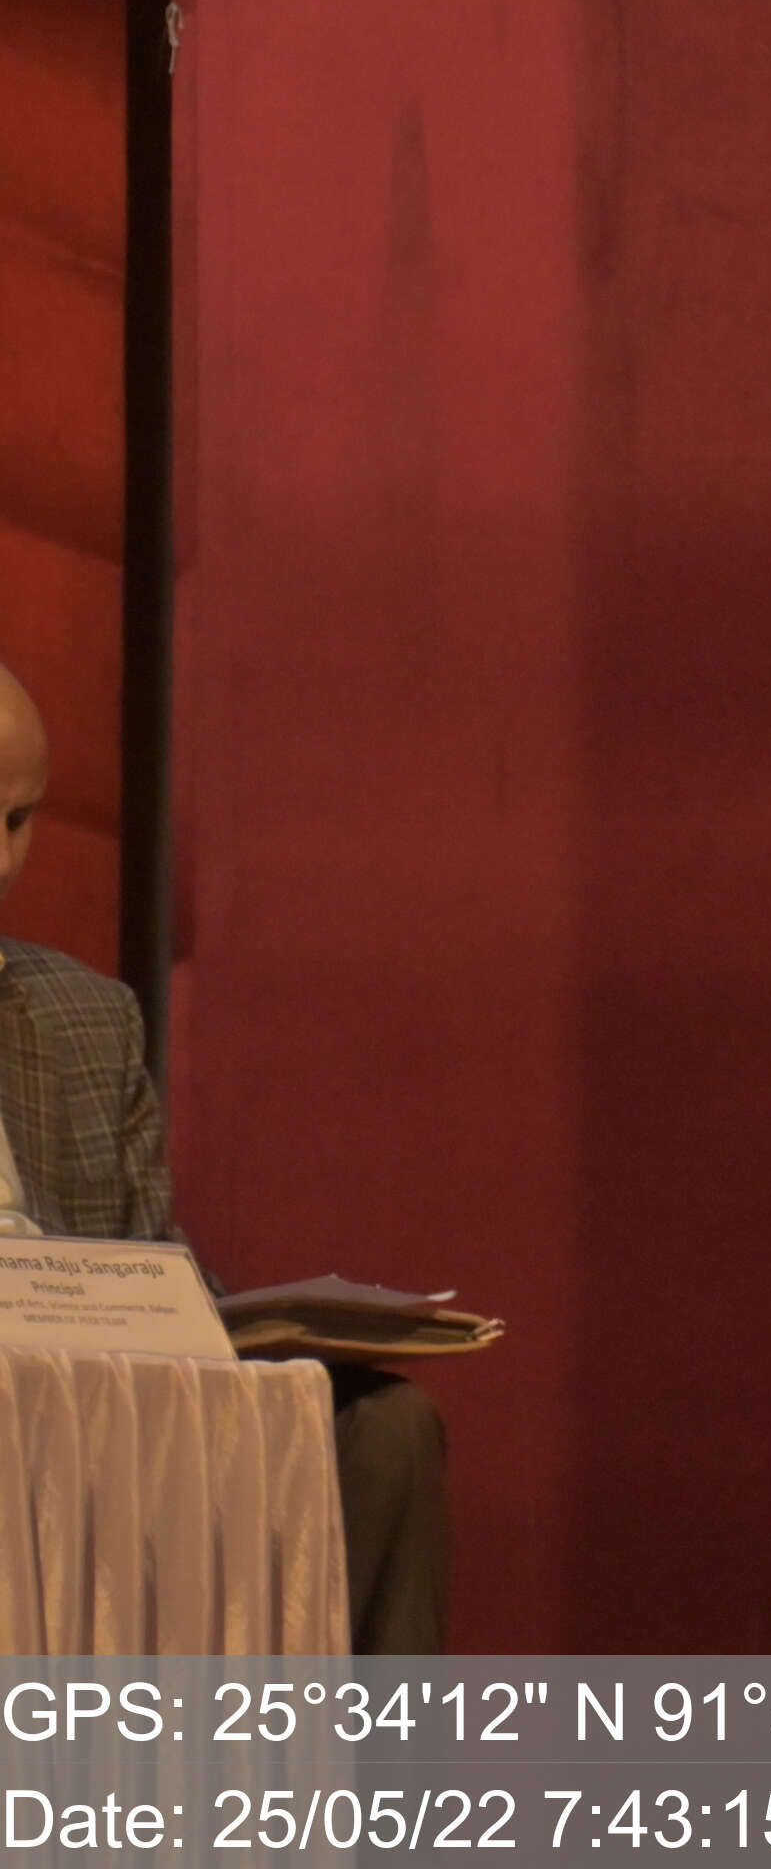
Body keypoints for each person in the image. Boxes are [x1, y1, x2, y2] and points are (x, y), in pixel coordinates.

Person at [0, 655, 453, 1653]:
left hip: (93, 1425)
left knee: (385, 1432)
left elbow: (148, 1274)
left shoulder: (85, 1020)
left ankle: (382, 1769)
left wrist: (274, 1326)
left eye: (18, 819)